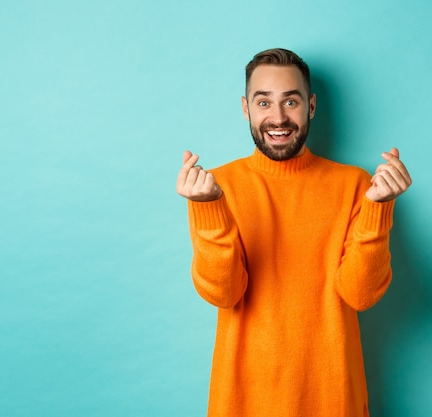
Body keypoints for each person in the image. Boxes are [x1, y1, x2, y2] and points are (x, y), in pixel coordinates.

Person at [176, 48, 412, 417]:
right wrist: (209, 208)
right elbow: (224, 293)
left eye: (291, 100)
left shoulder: (355, 185)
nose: (278, 117)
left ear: (311, 106)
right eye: (264, 102)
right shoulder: (216, 186)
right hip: (244, 401)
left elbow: (360, 294)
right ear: (245, 109)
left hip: (332, 399)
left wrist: (378, 208)